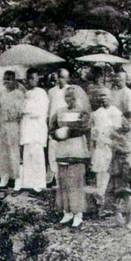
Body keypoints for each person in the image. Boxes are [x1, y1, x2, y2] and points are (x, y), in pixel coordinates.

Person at [50, 85, 92, 228]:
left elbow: (84, 127)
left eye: (72, 97)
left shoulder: (83, 113)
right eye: (67, 97)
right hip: (62, 151)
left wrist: (67, 131)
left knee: (75, 183)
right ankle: (66, 212)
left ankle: (78, 213)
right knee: (63, 183)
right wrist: (57, 134)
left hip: (77, 151)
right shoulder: (59, 112)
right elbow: (52, 129)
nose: (70, 100)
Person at [89, 87, 126, 206]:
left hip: (112, 147)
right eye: (101, 96)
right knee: (100, 174)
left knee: (111, 175)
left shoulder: (116, 112)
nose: (103, 98)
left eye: (105, 95)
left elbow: (118, 131)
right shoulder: (96, 113)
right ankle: (100, 203)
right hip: (100, 148)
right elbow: (93, 132)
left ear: (110, 97)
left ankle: (112, 203)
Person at [0, 71, 25, 190]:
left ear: (14, 80)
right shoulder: (1, 93)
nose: (7, 82)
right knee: (2, 153)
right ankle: (3, 180)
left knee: (13, 153)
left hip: (13, 125)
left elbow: (20, 112)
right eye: (5, 79)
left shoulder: (18, 94)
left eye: (9, 79)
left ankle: (17, 180)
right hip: (2, 126)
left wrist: (12, 114)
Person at [18, 69, 49, 193]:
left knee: (37, 155)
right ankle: (29, 182)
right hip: (27, 128)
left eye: (33, 78)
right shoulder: (25, 94)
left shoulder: (41, 93)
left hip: (36, 128)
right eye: (28, 78)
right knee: (27, 155)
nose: (30, 81)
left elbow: (39, 111)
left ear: (37, 79)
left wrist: (27, 109)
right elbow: (21, 109)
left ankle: (39, 183)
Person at [47, 68, 71, 184]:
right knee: (52, 148)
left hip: (65, 123)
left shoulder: (71, 90)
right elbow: (49, 108)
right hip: (53, 123)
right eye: (59, 77)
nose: (61, 80)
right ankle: (54, 176)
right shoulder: (51, 91)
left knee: (64, 149)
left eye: (63, 77)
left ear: (67, 78)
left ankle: (64, 177)